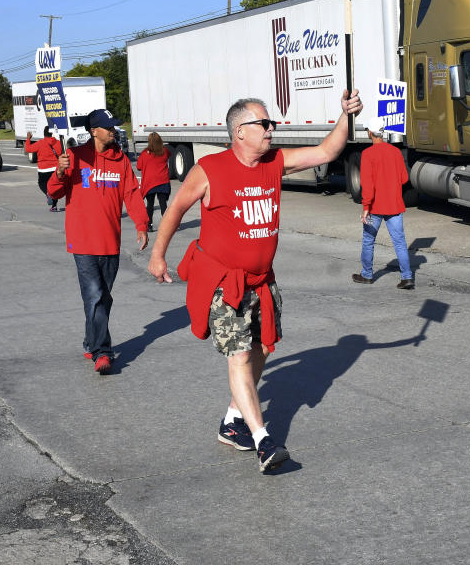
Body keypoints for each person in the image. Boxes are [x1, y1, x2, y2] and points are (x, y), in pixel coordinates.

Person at [148, 90, 363, 473]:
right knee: (241, 356)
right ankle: (263, 441)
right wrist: (158, 254)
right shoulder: (209, 170)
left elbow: (327, 152)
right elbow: (177, 209)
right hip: (222, 281)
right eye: (263, 124)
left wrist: (344, 115)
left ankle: (233, 420)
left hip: (262, 281)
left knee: (262, 348)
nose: (271, 129)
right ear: (239, 132)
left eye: (271, 123)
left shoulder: (274, 163)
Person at [47, 109, 149, 374]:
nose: (113, 130)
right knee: (94, 296)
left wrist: (141, 224)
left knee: (102, 297)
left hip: (110, 241)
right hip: (82, 241)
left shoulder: (121, 161)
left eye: (114, 126)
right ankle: (102, 352)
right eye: (108, 127)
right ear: (94, 131)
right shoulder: (76, 157)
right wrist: (59, 172)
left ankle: (90, 340)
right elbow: (53, 191)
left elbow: (132, 193)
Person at [351, 116, 414, 289]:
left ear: (370, 133)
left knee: (368, 239)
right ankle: (407, 277)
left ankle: (367, 274)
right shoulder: (395, 152)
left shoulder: (367, 154)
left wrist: (365, 208)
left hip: (375, 207)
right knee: (400, 242)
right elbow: (404, 178)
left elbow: (368, 185)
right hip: (394, 205)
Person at [136, 132, 171, 231]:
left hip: (149, 183)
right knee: (163, 204)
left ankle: (149, 225)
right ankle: (167, 225)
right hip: (163, 181)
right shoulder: (165, 151)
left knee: (150, 205)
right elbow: (169, 155)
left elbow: (138, 167)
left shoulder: (145, 154)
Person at [25, 127, 63, 211]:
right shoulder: (58, 143)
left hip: (44, 169)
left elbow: (28, 149)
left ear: (44, 134)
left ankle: (48, 194)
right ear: (52, 133)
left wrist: (28, 139)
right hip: (55, 169)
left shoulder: (40, 143)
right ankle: (54, 206)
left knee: (42, 183)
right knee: (54, 187)